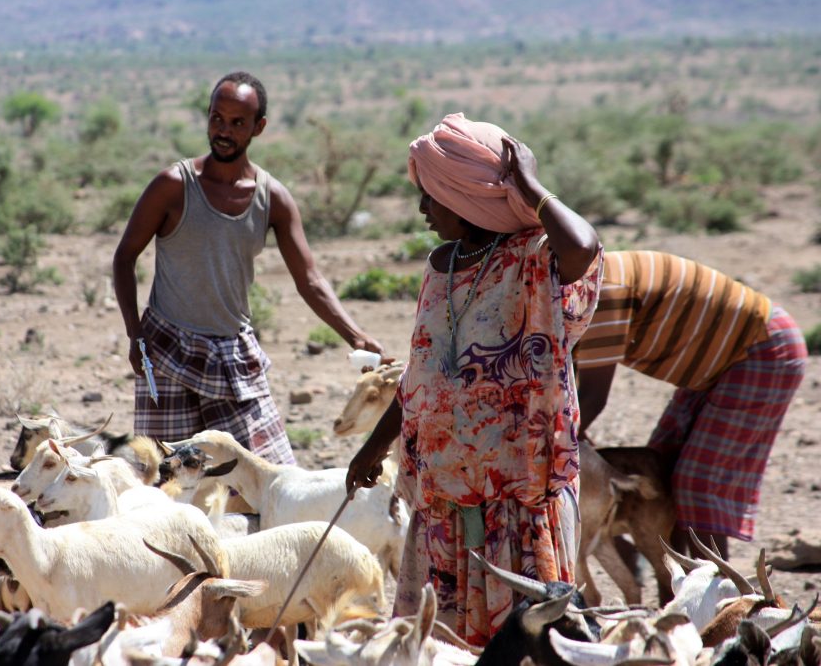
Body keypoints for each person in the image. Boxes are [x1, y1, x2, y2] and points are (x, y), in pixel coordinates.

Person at [346, 114, 602, 646]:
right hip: (443, 496)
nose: (422, 209)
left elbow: (584, 248)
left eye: (432, 196)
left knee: (524, 644)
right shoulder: (443, 264)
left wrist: (531, 189)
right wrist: (373, 447)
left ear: (466, 199)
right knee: (446, 645)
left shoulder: (536, 259)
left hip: (516, 498)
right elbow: (421, 376)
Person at [114, 71, 385, 465]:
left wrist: (355, 335)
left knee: (269, 475)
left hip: (232, 356)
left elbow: (309, 278)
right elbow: (125, 256)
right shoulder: (174, 185)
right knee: (167, 484)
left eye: (238, 122)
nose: (224, 130)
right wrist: (135, 335)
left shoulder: (272, 197)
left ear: (259, 127)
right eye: (216, 118)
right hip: (167, 350)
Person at [573, 250, 807, 559]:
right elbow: (570, 398)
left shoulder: (599, 293)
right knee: (661, 471)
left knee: (698, 482)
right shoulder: (574, 292)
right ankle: (679, 582)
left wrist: (551, 449)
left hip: (760, 349)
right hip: (718, 361)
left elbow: (591, 399)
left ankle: (718, 594)